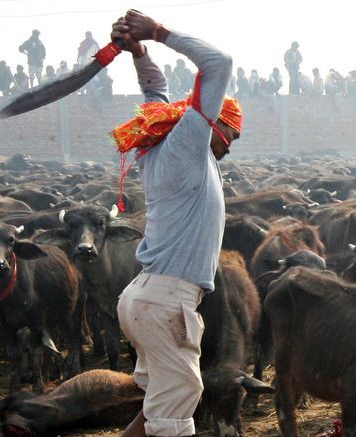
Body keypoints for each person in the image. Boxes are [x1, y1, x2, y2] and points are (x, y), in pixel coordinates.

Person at [110, 9, 241, 437]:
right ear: (211, 123)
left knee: (159, 408)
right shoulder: (188, 144)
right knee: (178, 410)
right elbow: (218, 63)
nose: (230, 146)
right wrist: (160, 33)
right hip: (166, 301)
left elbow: (155, 91)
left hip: (146, 297)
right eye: (231, 135)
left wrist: (138, 52)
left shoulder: (160, 141)